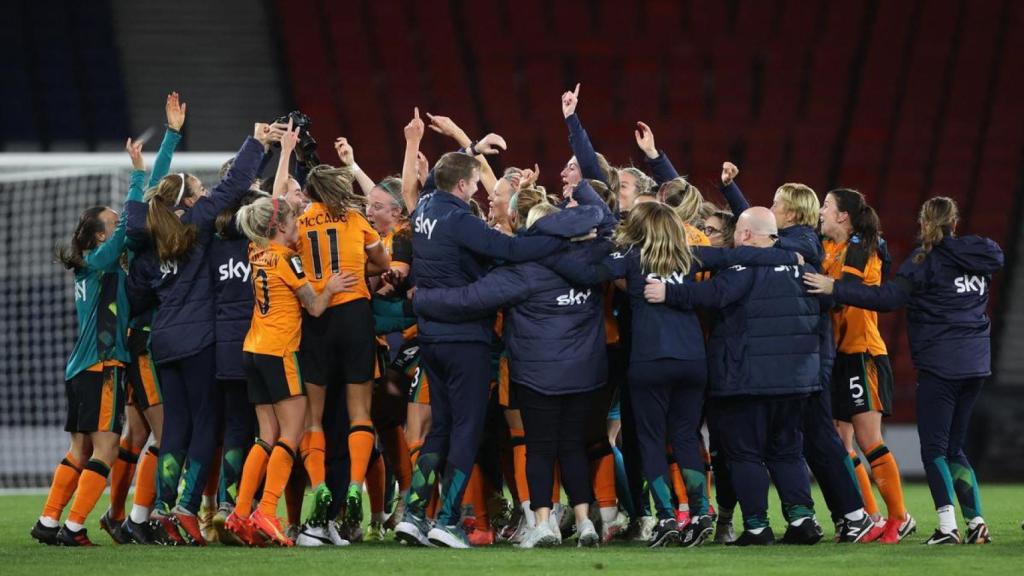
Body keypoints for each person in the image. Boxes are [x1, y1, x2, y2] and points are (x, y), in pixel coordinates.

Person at [395, 107, 580, 549]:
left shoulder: (424, 207)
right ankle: (450, 521)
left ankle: (416, 515)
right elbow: (509, 250)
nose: (477, 189)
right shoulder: (460, 219)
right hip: (464, 339)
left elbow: (441, 175)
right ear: (461, 186)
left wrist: (468, 146)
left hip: (433, 339)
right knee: (465, 429)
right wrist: (552, 234)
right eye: (474, 183)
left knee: (440, 429)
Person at [804, 196, 1003, 545]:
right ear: (954, 222)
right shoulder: (980, 256)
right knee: (954, 448)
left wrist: (835, 288)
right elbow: (996, 256)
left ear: (924, 223)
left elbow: (888, 298)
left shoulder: (924, 263)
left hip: (935, 363)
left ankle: (942, 526)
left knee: (933, 449)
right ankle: (975, 521)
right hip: (976, 362)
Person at [413, 199, 608, 549]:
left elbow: (469, 299)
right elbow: (606, 217)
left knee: (538, 448)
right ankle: (585, 522)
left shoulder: (523, 273)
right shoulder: (596, 263)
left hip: (537, 372)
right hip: (585, 372)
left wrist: (422, 301)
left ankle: (543, 524)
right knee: (574, 446)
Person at [124, 121, 277, 544]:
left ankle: (160, 509)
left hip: (164, 341)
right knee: (209, 424)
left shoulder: (148, 244)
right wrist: (257, 144)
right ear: (187, 203)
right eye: (197, 191)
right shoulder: (195, 228)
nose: (205, 195)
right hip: (199, 341)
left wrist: (139, 179)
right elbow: (231, 190)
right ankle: (188, 509)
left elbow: (136, 296)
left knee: (174, 426)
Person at [645, 207, 823, 546]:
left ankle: (757, 526)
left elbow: (712, 295)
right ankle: (802, 520)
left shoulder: (741, 268)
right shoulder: (804, 267)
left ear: (744, 235)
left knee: (745, 454)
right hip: (797, 380)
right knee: (787, 451)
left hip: (747, 379)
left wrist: (668, 292)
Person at [31, 137, 147, 546]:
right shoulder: (100, 262)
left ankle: (48, 522)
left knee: (79, 450)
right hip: (102, 366)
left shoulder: (92, 268)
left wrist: (161, 150)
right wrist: (137, 173)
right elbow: (134, 223)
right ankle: (76, 527)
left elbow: (134, 224)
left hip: (79, 367)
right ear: (100, 238)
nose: (121, 230)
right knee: (107, 448)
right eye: (113, 225)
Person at [227, 193, 358, 546]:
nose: (299, 226)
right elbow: (314, 307)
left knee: (266, 434)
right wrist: (329, 288)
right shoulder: (288, 259)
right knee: (293, 431)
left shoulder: (256, 252)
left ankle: (240, 513)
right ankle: (266, 510)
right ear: (281, 227)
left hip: (252, 349)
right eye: (295, 222)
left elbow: (273, 213)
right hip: (280, 352)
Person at [819, 188, 915, 543]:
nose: (820, 212)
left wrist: (825, 287)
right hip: (838, 355)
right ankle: (872, 517)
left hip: (863, 353)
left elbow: (849, 288)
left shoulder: (863, 248)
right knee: (841, 444)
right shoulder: (828, 247)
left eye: (826, 206)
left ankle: (899, 517)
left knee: (868, 439)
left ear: (843, 216)